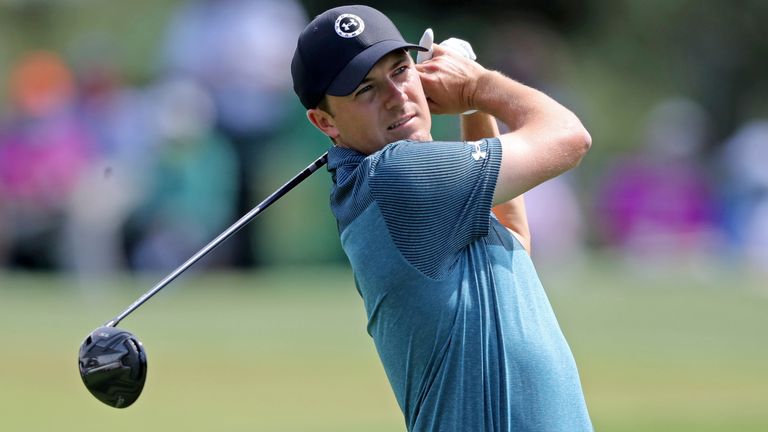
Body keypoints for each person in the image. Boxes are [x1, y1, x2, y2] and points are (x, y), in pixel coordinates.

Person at [291, 5, 592, 431]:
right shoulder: (399, 174)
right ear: (325, 123)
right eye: (365, 90)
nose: (397, 97)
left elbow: (512, 241)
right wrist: (476, 85)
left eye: (400, 71)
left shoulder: (390, 182)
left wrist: (473, 111)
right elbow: (570, 137)